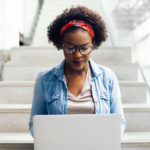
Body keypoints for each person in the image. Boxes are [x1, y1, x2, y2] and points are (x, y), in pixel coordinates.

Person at [29, 5, 126, 137]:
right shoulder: (45, 79)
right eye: (70, 48)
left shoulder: (107, 77)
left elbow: (119, 122)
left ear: (93, 45)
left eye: (84, 48)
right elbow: (35, 125)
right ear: (61, 45)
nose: (77, 55)